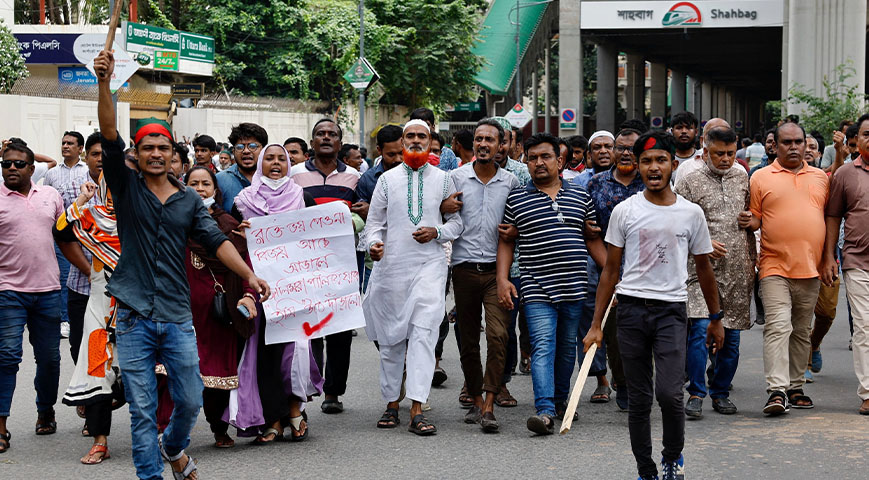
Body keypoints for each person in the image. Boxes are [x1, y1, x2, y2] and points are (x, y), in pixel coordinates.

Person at [94, 49, 270, 480]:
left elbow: (216, 240)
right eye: (148, 147)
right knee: (141, 411)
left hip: (177, 317)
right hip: (134, 316)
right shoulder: (125, 184)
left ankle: (174, 449)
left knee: (190, 399)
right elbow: (109, 131)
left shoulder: (190, 200)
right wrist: (105, 83)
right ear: (137, 153)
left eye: (163, 148)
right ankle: (151, 474)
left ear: (174, 154)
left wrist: (249, 275)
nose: (156, 154)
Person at [583, 131, 722, 480]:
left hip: (671, 312)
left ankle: (672, 459)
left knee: (671, 395)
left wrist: (716, 318)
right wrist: (596, 324)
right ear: (637, 166)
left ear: (673, 165)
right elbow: (610, 271)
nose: (653, 167)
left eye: (661, 160)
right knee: (639, 399)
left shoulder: (691, 214)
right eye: (647, 161)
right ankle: (646, 470)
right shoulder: (625, 211)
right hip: (630, 310)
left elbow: (704, 269)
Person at [497, 132, 606, 435]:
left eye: (545, 157)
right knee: (543, 346)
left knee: (567, 350)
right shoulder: (517, 198)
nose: (539, 163)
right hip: (536, 286)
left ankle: (560, 401)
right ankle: (544, 411)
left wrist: (615, 279)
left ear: (559, 160)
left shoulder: (580, 196)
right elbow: (505, 242)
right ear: (526, 162)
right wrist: (503, 279)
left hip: (574, 286)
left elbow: (593, 240)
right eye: (532, 158)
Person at [363, 119, 463, 436]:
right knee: (392, 338)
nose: (416, 141)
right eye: (411, 136)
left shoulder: (444, 180)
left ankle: (418, 406)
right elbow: (373, 225)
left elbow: (457, 225)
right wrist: (373, 246)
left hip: (430, 265)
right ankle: (392, 403)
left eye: (422, 136)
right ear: (403, 142)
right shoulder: (387, 180)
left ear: (431, 140)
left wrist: (438, 232)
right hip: (391, 267)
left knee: (424, 332)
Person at [229, 144, 322, 444]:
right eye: (269, 158)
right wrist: (240, 234)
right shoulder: (243, 202)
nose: (276, 163)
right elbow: (232, 245)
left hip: (294, 287)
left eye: (282, 158)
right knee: (263, 353)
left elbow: (316, 240)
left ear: (290, 162)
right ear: (259, 164)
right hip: (257, 288)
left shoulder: (301, 197)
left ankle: (295, 410)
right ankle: (273, 419)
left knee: (294, 351)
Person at [746, 121, 828, 415]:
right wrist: (748, 221)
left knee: (801, 330)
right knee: (779, 326)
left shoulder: (821, 178)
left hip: (811, 267)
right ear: (775, 146)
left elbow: (828, 221)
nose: (793, 147)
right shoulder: (761, 178)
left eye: (798, 142)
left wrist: (829, 259)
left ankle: (795, 387)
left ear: (807, 145)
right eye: (786, 143)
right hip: (773, 264)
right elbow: (755, 218)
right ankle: (776, 391)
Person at [674, 127, 756, 418]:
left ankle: (721, 391)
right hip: (699, 270)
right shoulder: (689, 181)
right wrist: (703, 243)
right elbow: (676, 223)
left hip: (737, 271)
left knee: (731, 338)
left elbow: (754, 217)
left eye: (730, 154)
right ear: (704, 152)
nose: (725, 159)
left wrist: (752, 220)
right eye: (718, 153)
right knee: (699, 331)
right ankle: (696, 392)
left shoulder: (742, 176)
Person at [449, 119, 518, 433]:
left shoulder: (511, 183)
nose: (483, 144)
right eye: (478, 139)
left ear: (500, 145)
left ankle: (490, 403)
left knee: (498, 334)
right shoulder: (455, 178)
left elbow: (518, 223)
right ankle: (476, 398)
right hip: (463, 270)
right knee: (467, 340)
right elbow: (443, 218)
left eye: (490, 139)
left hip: (496, 272)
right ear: (473, 144)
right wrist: (442, 206)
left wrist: (515, 230)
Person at [290, 119, 360, 415]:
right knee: (304, 330)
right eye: (321, 134)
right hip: (303, 265)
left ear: (340, 142)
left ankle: (332, 391)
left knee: (340, 329)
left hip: (341, 265)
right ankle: (303, 388)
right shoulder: (294, 175)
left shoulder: (355, 177)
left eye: (332, 134)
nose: (327, 137)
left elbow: (363, 213)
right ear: (312, 141)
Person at [0, 141, 65, 453]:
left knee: (50, 359)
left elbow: (66, 240)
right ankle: (1, 426)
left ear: (32, 169)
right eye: (6, 164)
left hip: (49, 291)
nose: (11, 168)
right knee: (7, 358)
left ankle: (45, 410)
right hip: (8, 292)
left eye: (18, 164)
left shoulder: (50, 196)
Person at [182, 166, 253, 449]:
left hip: (217, 311)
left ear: (216, 190)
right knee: (172, 375)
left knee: (219, 375)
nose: (200, 189)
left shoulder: (229, 225)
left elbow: (245, 264)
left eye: (206, 184)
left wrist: (246, 239)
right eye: (193, 183)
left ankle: (219, 429)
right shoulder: (173, 221)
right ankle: (171, 432)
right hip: (181, 311)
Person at [55, 171, 123, 464]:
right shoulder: (92, 217)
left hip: (140, 311)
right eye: (112, 186)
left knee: (150, 372)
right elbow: (61, 230)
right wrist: (83, 199)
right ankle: (100, 441)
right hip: (99, 311)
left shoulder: (145, 218)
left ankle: (160, 437)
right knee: (97, 373)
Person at [580, 127, 644, 411]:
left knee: (647, 331)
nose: (625, 153)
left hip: (648, 269)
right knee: (617, 332)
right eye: (621, 148)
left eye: (632, 148)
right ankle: (624, 384)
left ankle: (644, 382)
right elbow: (589, 229)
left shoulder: (652, 182)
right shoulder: (595, 184)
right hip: (605, 268)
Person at [821, 112, 869, 415]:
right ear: (858, 140)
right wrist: (829, 256)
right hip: (857, 260)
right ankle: (868, 391)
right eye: (867, 134)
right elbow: (833, 216)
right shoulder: (845, 174)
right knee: (864, 327)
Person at [56, 132, 104, 367]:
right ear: (87, 155)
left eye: (106, 154)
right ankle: (85, 396)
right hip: (81, 285)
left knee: (107, 346)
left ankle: (104, 397)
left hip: (116, 288)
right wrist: (88, 271)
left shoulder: (127, 188)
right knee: (79, 346)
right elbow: (64, 234)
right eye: (95, 154)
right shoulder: (74, 188)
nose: (101, 159)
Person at [44, 131, 87, 337]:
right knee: (64, 276)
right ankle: (65, 319)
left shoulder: (87, 171)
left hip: (86, 233)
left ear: (80, 149)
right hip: (61, 233)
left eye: (70, 143)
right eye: (63, 143)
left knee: (84, 275)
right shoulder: (52, 174)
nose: (65, 146)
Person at [216, 123, 268, 211]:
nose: (246, 151)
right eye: (240, 147)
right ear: (233, 151)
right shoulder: (220, 180)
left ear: (264, 149)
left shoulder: (275, 178)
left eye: (252, 146)